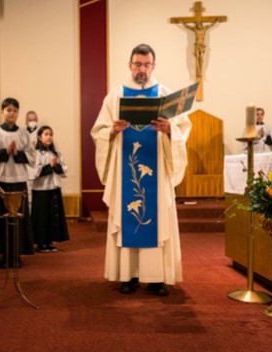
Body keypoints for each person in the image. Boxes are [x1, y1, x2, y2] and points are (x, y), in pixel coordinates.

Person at [90, 44, 191, 296]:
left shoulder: (167, 94)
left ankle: (156, 278)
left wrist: (169, 130)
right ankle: (129, 276)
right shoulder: (115, 96)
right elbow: (98, 131)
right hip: (125, 170)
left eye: (146, 65)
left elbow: (181, 130)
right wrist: (111, 131)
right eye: (137, 64)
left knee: (156, 219)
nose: (142, 70)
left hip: (156, 171)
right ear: (129, 65)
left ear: (153, 66)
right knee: (129, 219)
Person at [0, 97, 35, 268]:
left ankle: (17, 254)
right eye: (8, 110)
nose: (12, 113)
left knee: (19, 218)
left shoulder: (23, 133)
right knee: (1, 217)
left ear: (18, 113)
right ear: (2, 112)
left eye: (15, 110)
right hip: (0, 180)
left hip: (18, 179)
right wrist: (5, 151)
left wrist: (18, 153)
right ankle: (4, 254)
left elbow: (32, 156)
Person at [31, 125, 70, 253]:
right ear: (39, 137)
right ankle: (41, 242)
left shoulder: (56, 153)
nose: (49, 137)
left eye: (51, 134)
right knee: (42, 216)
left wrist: (56, 166)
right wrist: (49, 166)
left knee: (53, 216)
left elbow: (64, 170)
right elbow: (33, 173)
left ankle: (50, 241)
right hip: (41, 189)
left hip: (54, 187)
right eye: (46, 134)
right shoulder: (36, 154)